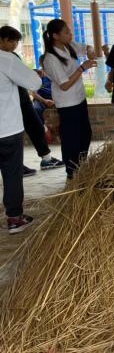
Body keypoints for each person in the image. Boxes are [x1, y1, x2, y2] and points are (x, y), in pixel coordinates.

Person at [0, 27, 64, 174]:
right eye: (11, 41)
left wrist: (32, 73)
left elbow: (19, 76)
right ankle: (15, 166)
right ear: (1, 40)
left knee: (35, 126)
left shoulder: (13, 56)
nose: (14, 45)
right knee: (12, 135)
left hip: (22, 99)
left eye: (16, 42)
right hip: (8, 104)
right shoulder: (6, 58)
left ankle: (46, 159)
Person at [42, 19, 95, 179]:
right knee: (72, 139)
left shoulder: (68, 45)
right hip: (67, 103)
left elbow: (86, 47)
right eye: (66, 32)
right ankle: (72, 172)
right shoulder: (50, 58)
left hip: (79, 98)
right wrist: (82, 68)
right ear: (55, 36)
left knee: (85, 134)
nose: (70, 34)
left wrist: (90, 50)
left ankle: (81, 166)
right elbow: (64, 85)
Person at [0, 37, 41, 233]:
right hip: (7, 129)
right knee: (12, 174)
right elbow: (35, 82)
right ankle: (15, 218)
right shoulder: (6, 59)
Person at [32, 55, 54, 124]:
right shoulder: (37, 74)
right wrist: (45, 101)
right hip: (40, 99)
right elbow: (34, 94)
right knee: (37, 109)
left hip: (55, 98)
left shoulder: (55, 73)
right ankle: (42, 128)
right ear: (40, 64)